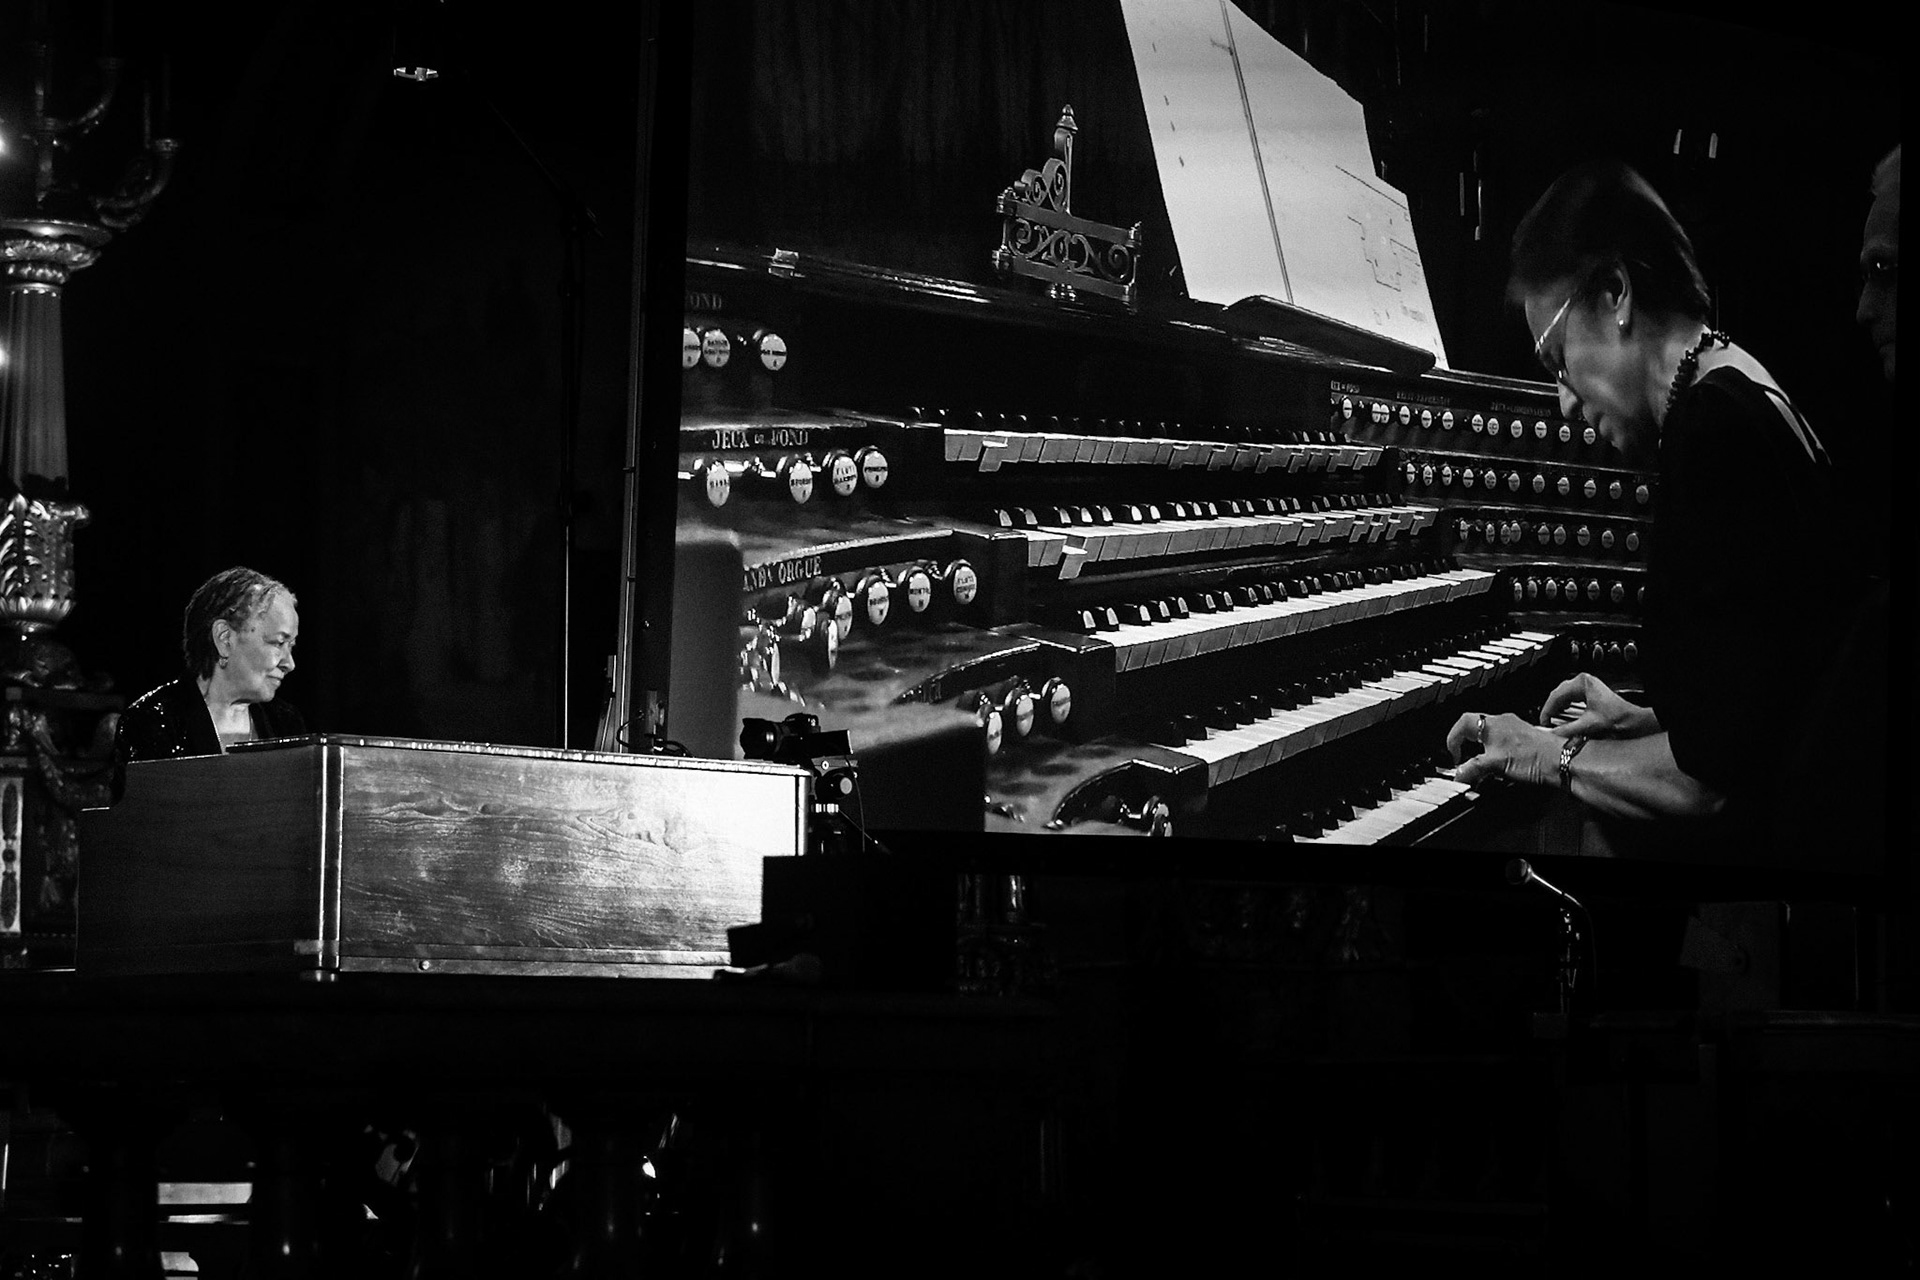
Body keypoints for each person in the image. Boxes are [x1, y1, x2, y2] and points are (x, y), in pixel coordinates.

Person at [1444, 159, 1851, 852]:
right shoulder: (1743, 382)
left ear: (1615, 292)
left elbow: (1709, 783)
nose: (1565, 400)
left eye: (1556, 360)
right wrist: (1645, 722)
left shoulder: (1716, 431)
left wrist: (1547, 754)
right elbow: (1768, 701)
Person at [115, 566, 308, 766]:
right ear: (225, 639)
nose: (289, 664)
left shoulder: (286, 723)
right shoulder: (151, 722)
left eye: (291, 646)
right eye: (278, 643)